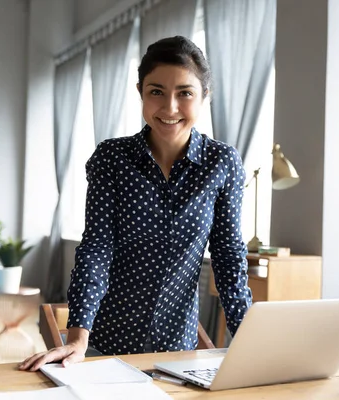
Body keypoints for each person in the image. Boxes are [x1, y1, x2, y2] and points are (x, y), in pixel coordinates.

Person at [20, 35, 252, 372]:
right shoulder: (112, 158)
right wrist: (77, 338)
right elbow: (97, 248)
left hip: (178, 355)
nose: (170, 107)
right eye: (156, 91)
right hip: (107, 345)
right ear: (141, 93)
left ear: (205, 97)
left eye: (185, 93)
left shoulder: (222, 163)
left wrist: (248, 340)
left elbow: (229, 258)